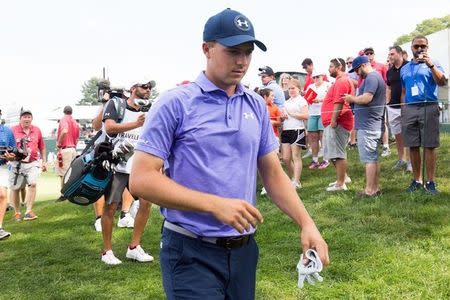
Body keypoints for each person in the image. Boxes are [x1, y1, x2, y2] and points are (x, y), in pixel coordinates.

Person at [130, 8, 329, 299]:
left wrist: (307, 222)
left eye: (248, 52)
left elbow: (273, 172)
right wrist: (214, 205)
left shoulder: (255, 105)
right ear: (207, 49)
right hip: (189, 251)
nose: (242, 61)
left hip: (243, 252)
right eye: (233, 51)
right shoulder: (175, 104)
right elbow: (141, 179)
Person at [100, 81, 155, 265]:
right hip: (117, 164)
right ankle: (106, 251)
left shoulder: (151, 109)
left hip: (139, 165)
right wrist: (136, 123)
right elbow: (109, 128)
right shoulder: (116, 104)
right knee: (110, 207)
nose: (147, 90)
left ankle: (134, 247)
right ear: (132, 89)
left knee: (146, 204)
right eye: (144, 86)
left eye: (150, 88)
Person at [400, 35, 447, 194]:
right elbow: (404, 90)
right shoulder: (405, 68)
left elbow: (442, 82)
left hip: (428, 106)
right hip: (410, 109)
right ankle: (417, 180)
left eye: (423, 46)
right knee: (413, 146)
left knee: (429, 145)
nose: (420, 49)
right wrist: (403, 109)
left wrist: (431, 65)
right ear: (411, 48)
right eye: (416, 46)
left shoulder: (434, 62)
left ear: (427, 47)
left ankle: (431, 182)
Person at [344, 55, 386, 197]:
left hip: (369, 125)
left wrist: (352, 99)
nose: (356, 73)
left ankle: (369, 190)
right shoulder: (373, 77)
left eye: (356, 70)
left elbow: (367, 98)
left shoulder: (372, 78)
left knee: (369, 159)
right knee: (373, 158)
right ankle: (375, 188)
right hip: (371, 124)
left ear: (362, 66)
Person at [321, 58, 354, 191]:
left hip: (337, 123)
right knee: (332, 153)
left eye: (331, 66)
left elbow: (339, 102)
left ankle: (341, 184)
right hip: (331, 123)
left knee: (338, 153)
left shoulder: (342, 81)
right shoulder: (338, 81)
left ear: (339, 66)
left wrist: (334, 120)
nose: (329, 69)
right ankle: (343, 177)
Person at [10, 109, 47, 221]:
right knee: (15, 188)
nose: (27, 119)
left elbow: (42, 147)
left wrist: (44, 161)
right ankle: (17, 213)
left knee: (33, 184)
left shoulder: (37, 130)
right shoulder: (13, 130)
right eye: (24, 117)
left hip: (33, 163)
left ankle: (28, 211)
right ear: (20, 119)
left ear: (31, 118)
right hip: (17, 163)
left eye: (29, 117)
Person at [386, 45, 411, 172]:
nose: (390, 56)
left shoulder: (409, 66)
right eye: (389, 54)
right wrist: (387, 101)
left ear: (400, 54)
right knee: (398, 135)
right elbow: (389, 87)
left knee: (409, 134)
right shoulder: (389, 71)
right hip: (392, 107)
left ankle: (411, 162)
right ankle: (402, 159)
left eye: (392, 54)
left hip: (407, 106)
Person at [281, 79, 308, 189]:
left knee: (295, 156)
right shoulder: (286, 102)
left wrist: (292, 114)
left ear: (299, 89)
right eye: (289, 88)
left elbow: (305, 116)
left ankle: (297, 181)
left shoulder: (302, 101)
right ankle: (293, 178)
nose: (291, 90)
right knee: (286, 158)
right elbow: (283, 116)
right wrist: (283, 116)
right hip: (286, 130)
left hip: (297, 129)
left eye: (293, 88)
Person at [363, 47, 391, 157]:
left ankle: (386, 146)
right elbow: (361, 84)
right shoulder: (362, 68)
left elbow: (386, 83)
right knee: (370, 122)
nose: (369, 55)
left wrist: (385, 98)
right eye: (367, 54)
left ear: (374, 54)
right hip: (367, 99)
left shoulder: (381, 66)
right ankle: (372, 146)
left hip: (379, 99)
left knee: (382, 122)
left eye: (371, 53)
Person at [305, 70, 331, 169]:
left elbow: (331, 98)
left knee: (322, 136)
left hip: (323, 113)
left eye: (318, 77)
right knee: (313, 137)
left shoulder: (328, 85)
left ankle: (326, 159)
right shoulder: (310, 87)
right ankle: (315, 160)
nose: (316, 79)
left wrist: (319, 100)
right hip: (312, 113)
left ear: (322, 76)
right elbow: (307, 99)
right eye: (314, 77)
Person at [55, 105, 80, 202]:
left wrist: (59, 143)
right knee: (72, 173)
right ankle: (72, 192)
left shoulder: (63, 119)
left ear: (64, 111)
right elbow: (77, 138)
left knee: (63, 173)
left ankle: (64, 195)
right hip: (73, 148)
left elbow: (65, 131)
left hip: (65, 149)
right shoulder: (75, 122)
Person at [0, 111, 16, 240]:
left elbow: (13, 152)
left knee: (2, 195)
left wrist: (11, 157)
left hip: (2, 166)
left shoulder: (7, 131)